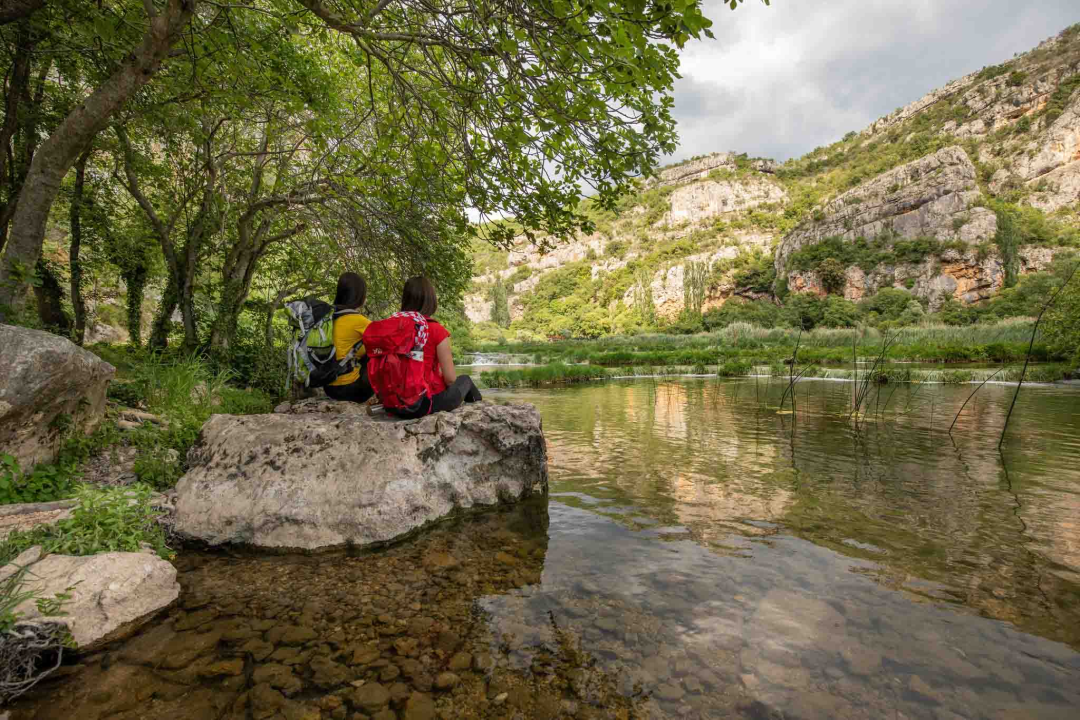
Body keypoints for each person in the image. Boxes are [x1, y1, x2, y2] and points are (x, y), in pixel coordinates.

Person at [387, 276, 482, 419]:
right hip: (423, 405)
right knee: (465, 380)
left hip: (393, 404)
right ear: (431, 300)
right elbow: (450, 379)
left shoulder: (391, 326)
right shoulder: (435, 329)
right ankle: (479, 414)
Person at [324, 272, 375, 404]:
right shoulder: (359, 321)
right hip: (352, 390)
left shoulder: (328, 317)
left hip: (328, 388)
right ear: (360, 297)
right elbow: (385, 341)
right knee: (380, 353)